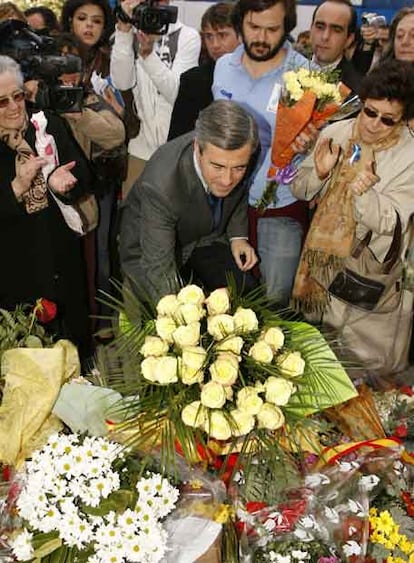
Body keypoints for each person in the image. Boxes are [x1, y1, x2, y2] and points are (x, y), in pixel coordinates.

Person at [291, 60, 414, 384]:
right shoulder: (337, 132)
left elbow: (392, 220)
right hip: (321, 270)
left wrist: (364, 194)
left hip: (368, 280)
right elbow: (301, 189)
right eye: (370, 112)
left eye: (388, 120)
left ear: (402, 120)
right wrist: (318, 172)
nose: (374, 124)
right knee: (317, 364)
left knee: (365, 379)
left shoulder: (410, 156)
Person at [213, 0, 317, 305]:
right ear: (239, 24)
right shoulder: (223, 67)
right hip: (228, 204)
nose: (261, 37)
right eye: (253, 27)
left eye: (272, 29)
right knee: (227, 304)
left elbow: (320, 145)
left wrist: (310, 143)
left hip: (280, 207)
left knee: (275, 304)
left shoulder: (304, 73)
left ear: (287, 27)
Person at [0, 55, 94, 358]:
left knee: (72, 350)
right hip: (12, 271)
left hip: (58, 257)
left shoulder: (46, 124)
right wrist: (16, 188)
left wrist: (60, 182)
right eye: (2, 102)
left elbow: (84, 176)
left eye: (18, 96)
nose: (15, 107)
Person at [119, 100, 259, 302]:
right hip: (149, 252)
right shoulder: (160, 185)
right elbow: (160, 273)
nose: (228, 180)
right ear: (197, 148)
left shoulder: (244, 150)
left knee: (247, 299)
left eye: (238, 168)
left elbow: (239, 190)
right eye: (217, 167)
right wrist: (180, 318)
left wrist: (238, 236)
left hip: (204, 239)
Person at [110, 0, 201, 196]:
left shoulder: (187, 36)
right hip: (139, 149)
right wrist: (124, 31)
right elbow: (122, 83)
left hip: (175, 152)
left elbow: (177, 95)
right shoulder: (129, 32)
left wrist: (148, 55)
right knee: (132, 220)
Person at [168, 3, 240, 141]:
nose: (215, 44)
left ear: (240, 35)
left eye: (222, 35)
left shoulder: (255, 78)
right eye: (209, 36)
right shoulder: (193, 80)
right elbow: (177, 139)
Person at [310, 0, 363, 93]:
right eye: (320, 27)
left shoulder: (355, 90)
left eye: (336, 30)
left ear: (349, 39)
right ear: (311, 29)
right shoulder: (289, 68)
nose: (325, 37)